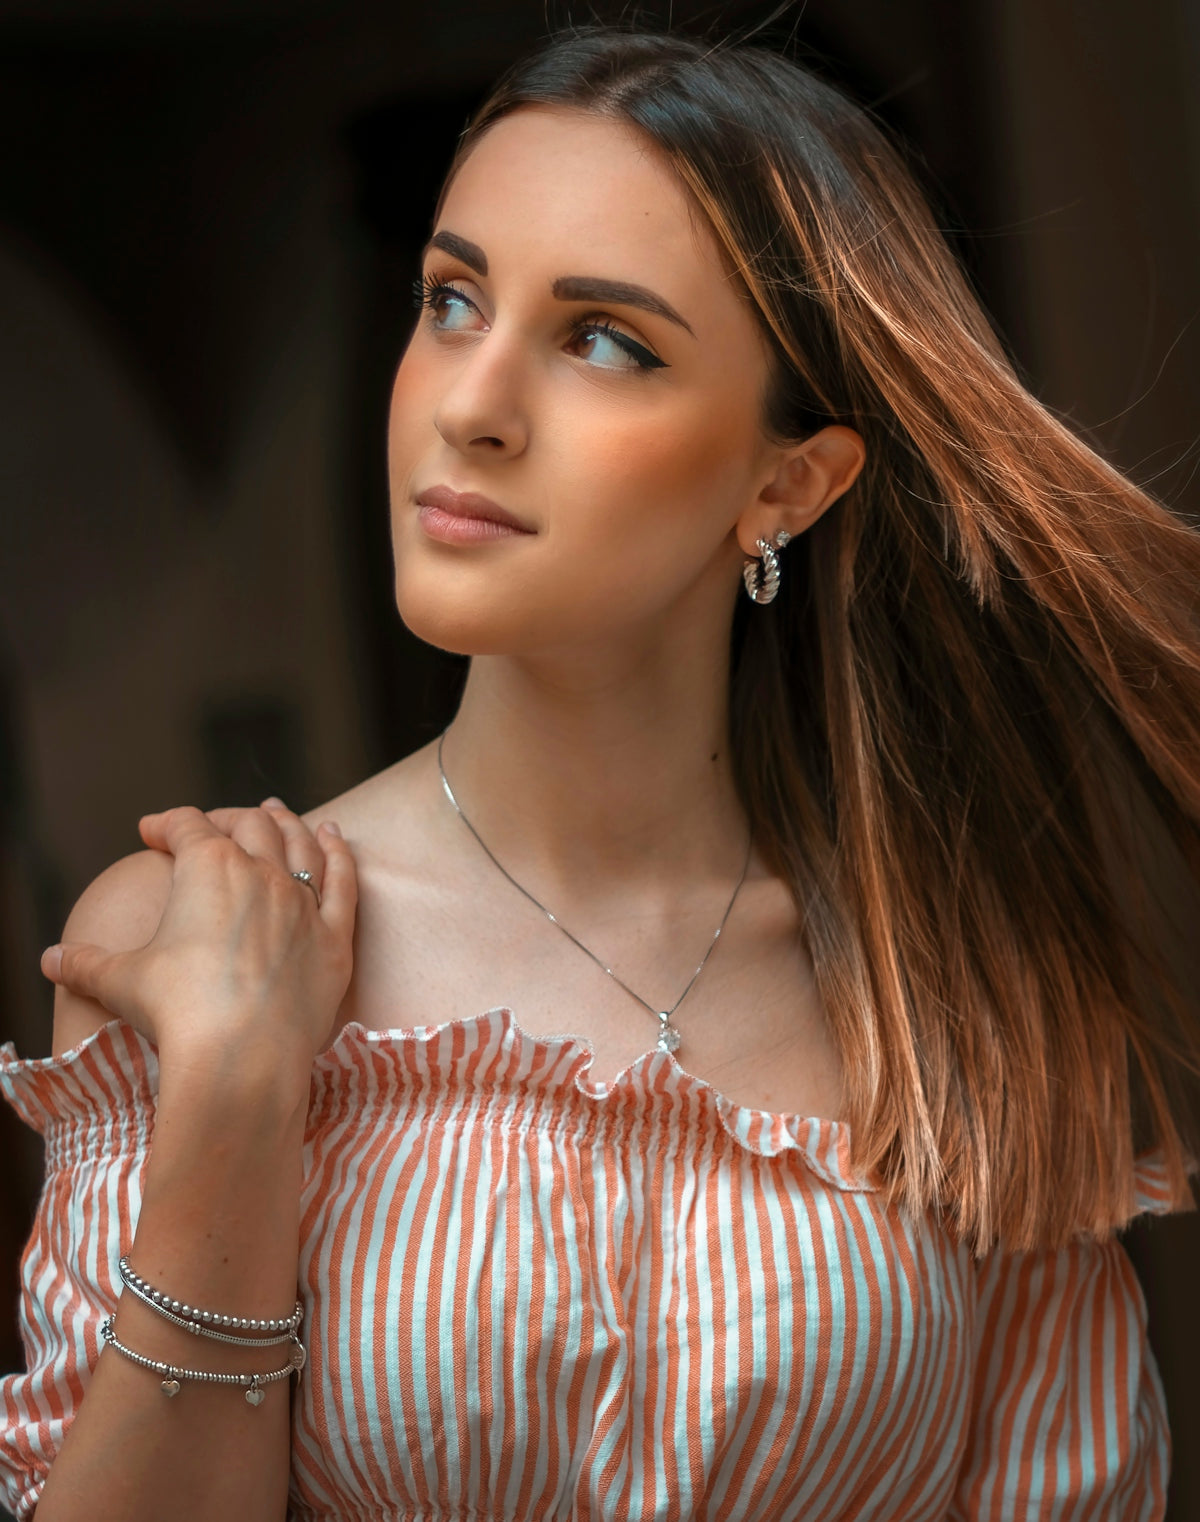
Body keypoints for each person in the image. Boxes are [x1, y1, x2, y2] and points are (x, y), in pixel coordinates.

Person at [2, 22, 1198, 1522]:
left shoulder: (962, 990)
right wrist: (238, 1104)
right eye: (452, 301)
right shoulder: (188, 930)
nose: (471, 402)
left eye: (604, 340)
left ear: (788, 481)